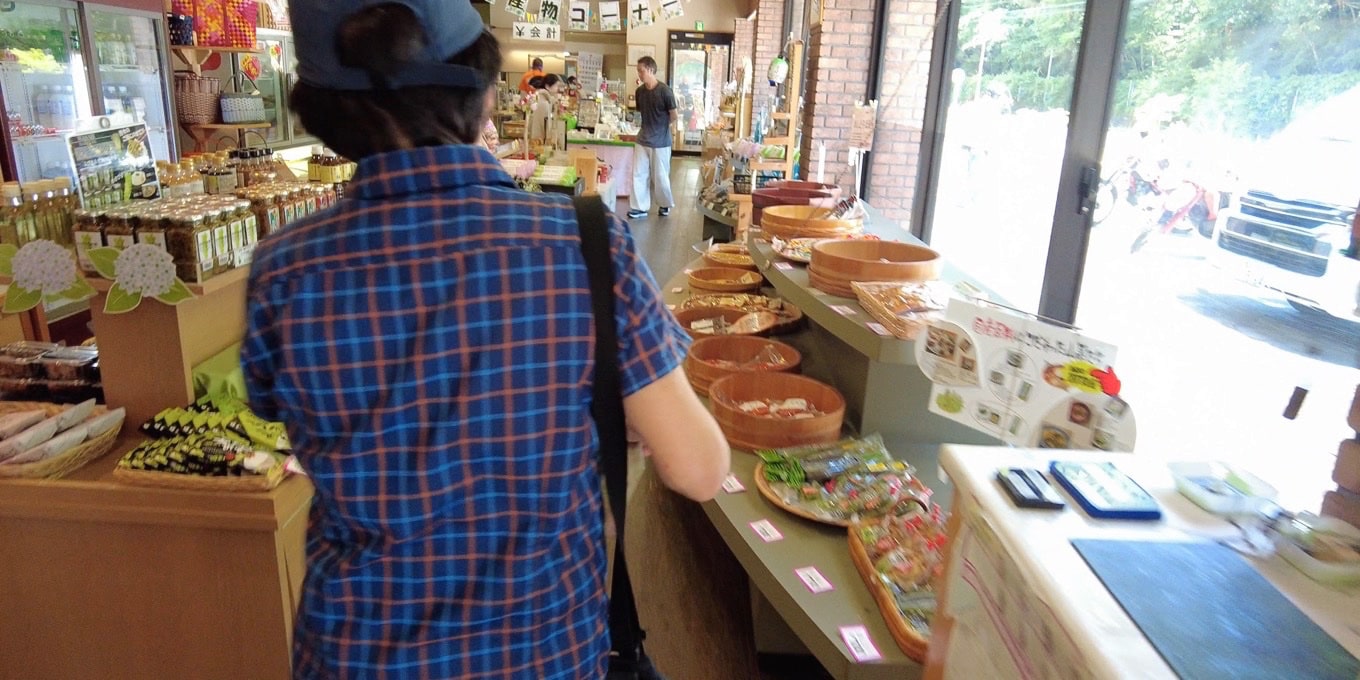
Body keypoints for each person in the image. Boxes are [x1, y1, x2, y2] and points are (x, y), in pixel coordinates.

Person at [245, 2, 731, 677]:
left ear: (321, 113)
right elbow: (699, 469)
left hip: (357, 651)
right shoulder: (586, 243)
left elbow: (281, 414)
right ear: (482, 91)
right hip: (538, 649)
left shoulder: (283, 268)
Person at [627, 56, 677, 219]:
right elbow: (640, 114)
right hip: (642, 139)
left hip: (661, 142)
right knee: (638, 174)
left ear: (650, 69)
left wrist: (662, 127)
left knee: (660, 176)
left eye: (641, 71)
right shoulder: (639, 92)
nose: (639, 74)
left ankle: (664, 204)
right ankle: (639, 207)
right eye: (638, 71)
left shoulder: (665, 91)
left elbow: (673, 115)